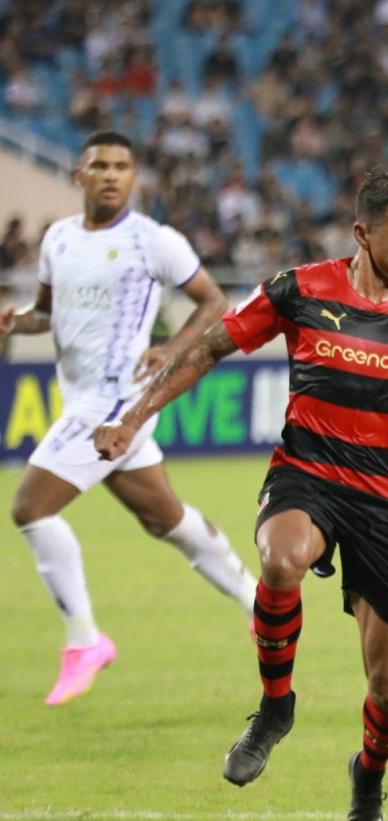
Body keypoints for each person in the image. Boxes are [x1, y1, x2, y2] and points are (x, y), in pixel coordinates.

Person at [93, 169, 388, 821]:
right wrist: (133, 420)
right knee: (280, 560)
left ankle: (367, 777)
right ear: (363, 235)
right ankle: (275, 709)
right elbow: (207, 350)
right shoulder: (299, 289)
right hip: (306, 473)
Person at [2, 131, 260, 706]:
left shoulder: (154, 241)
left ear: (134, 177)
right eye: (100, 165)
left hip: (121, 397)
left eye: (122, 166)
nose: (111, 174)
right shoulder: (58, 239)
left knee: (30, 507)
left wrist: (172, 349)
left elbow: (214, 302)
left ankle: (84, 641)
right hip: (81, 397)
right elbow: (46, 314)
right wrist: (12, 321)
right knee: (163, 517)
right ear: (79, 175)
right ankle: (258, 600)